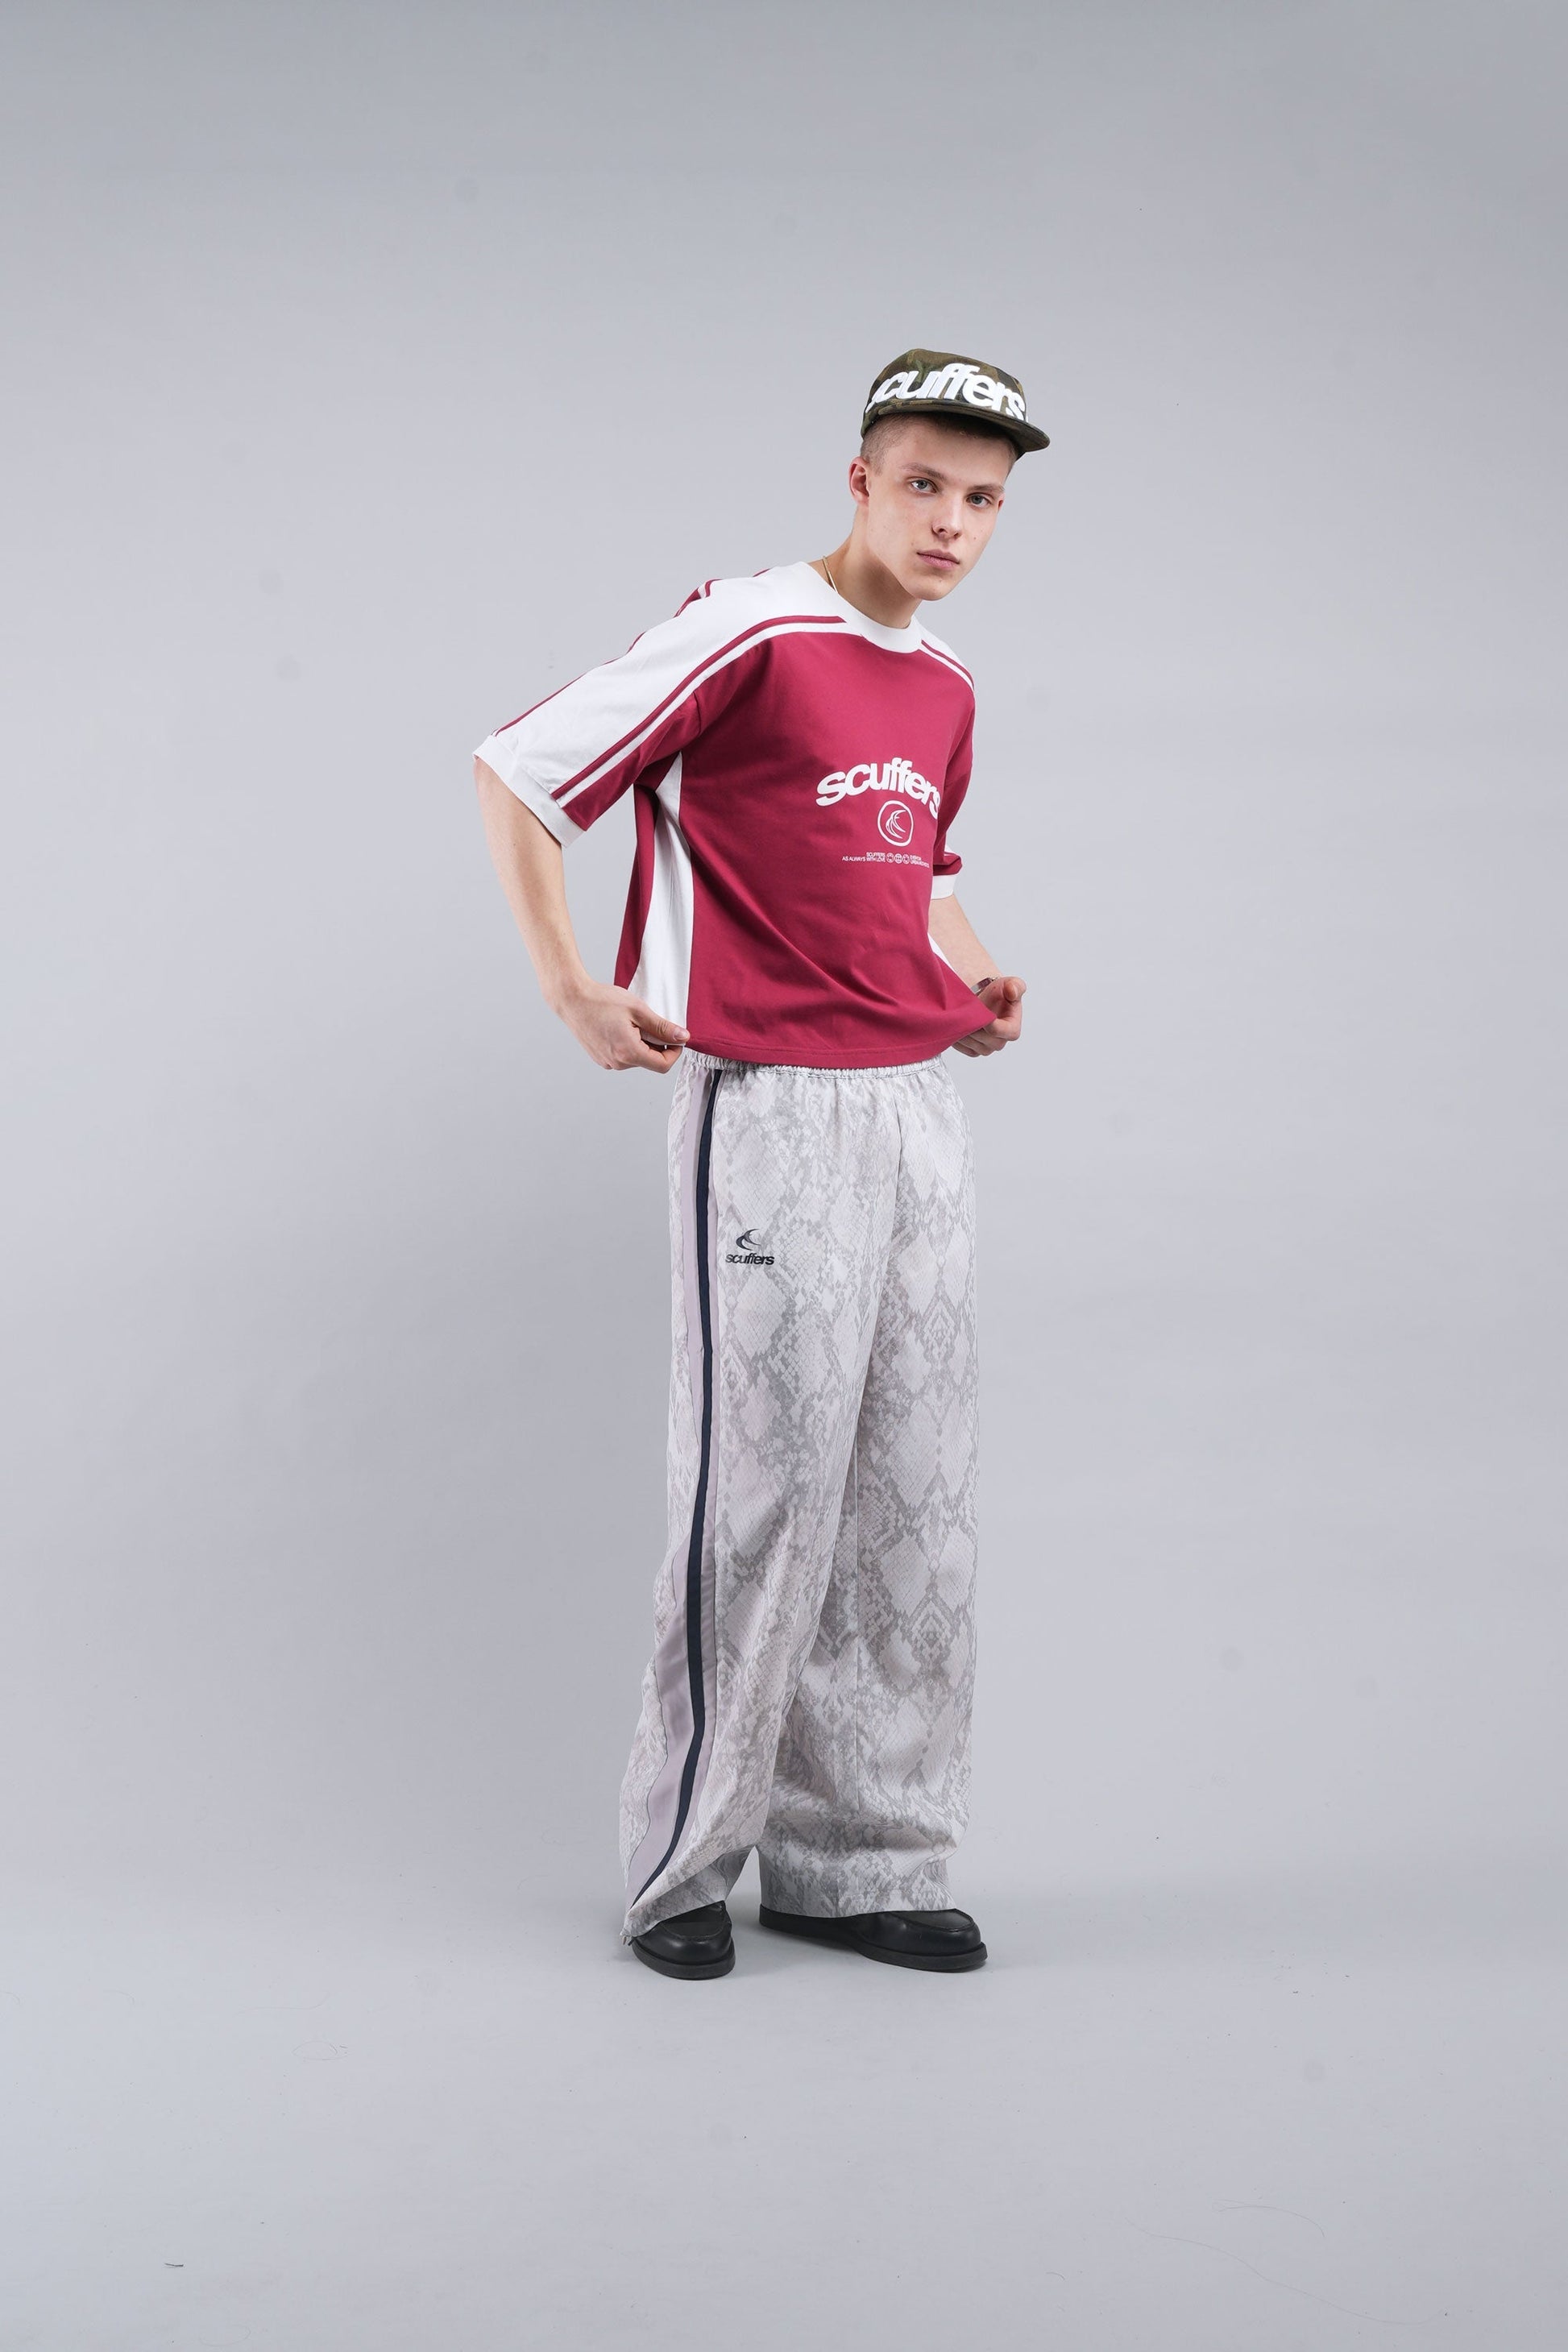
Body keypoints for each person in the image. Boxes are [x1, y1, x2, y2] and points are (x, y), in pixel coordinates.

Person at [474, 347, 1046, 1980]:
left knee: (909, 1495)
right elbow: (519, 768)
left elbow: (920, 872)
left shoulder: (945, 684)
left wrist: (972, 978)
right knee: (768, 1489)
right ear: (861, 479)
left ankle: (864, 1862)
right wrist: (572, 986)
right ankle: (685, 1863)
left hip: (915, 1104)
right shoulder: (751, 628)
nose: (949, 522)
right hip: (771, 1103)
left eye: (981, 499)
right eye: (923, 484)